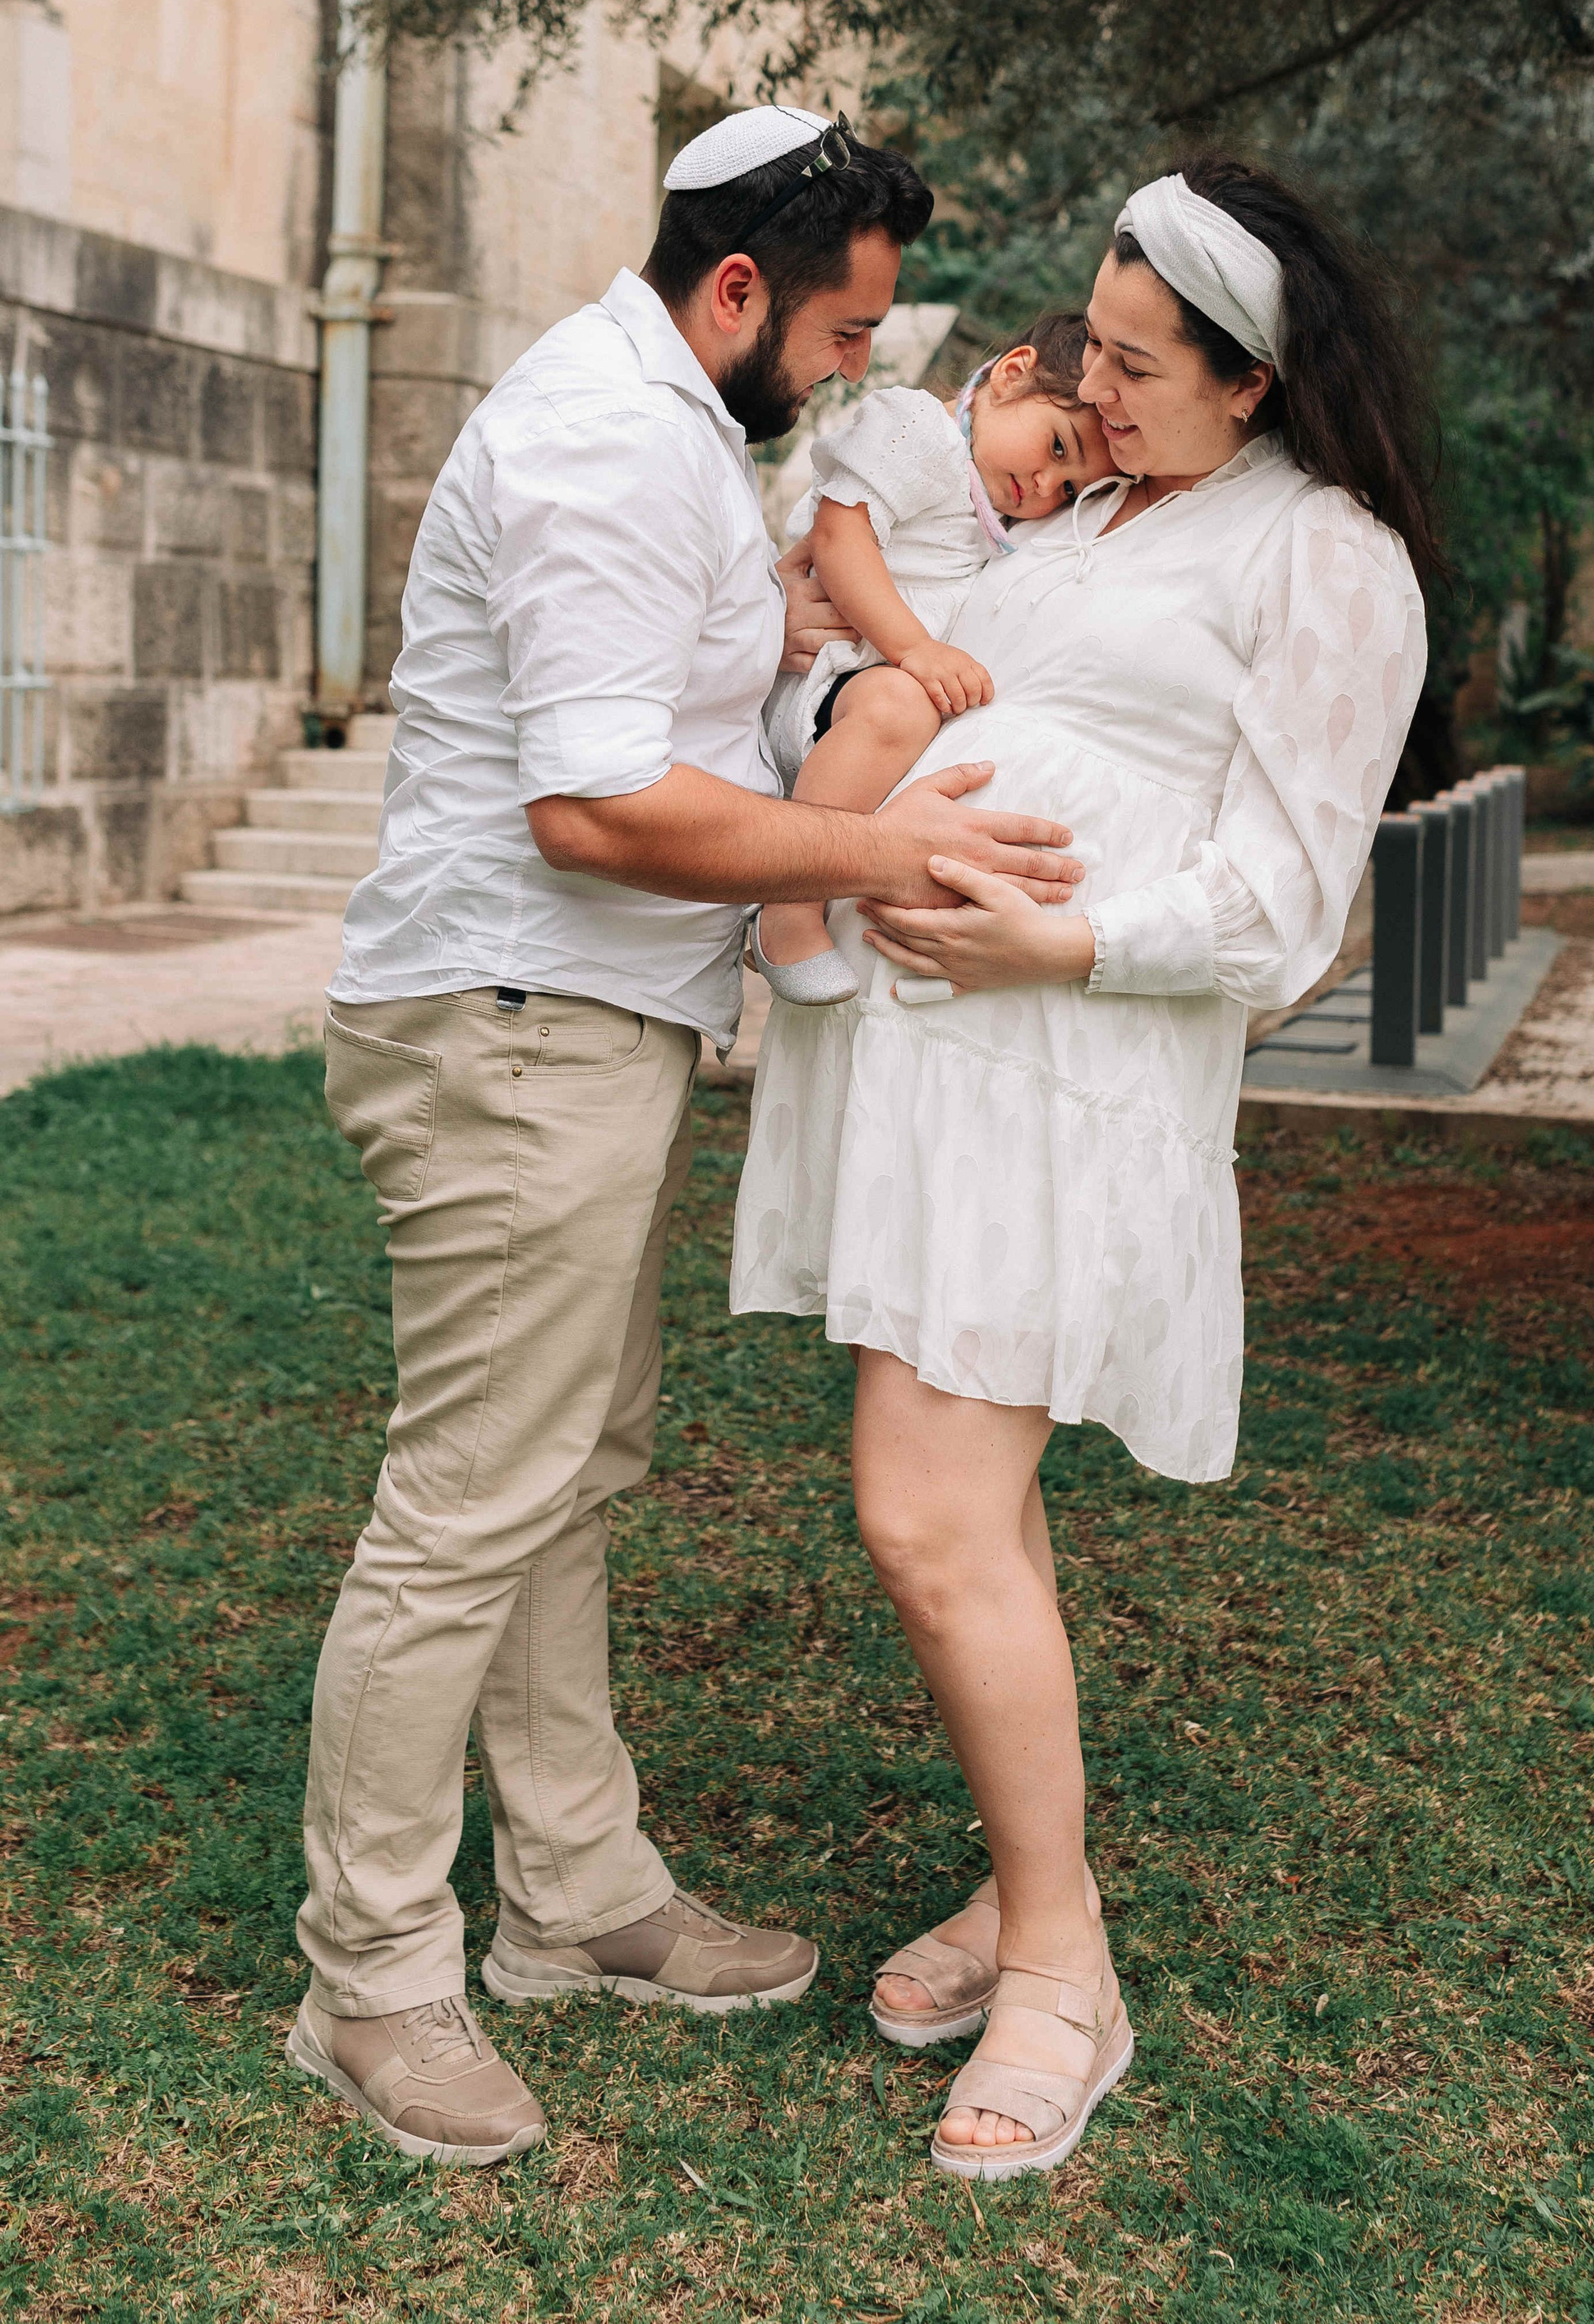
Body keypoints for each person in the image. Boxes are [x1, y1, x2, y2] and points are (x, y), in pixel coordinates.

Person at [290, 104, 1085, 2168]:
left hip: (588, 1027)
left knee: (567, 1473)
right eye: (836, 338)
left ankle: (576, 1898)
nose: (846, 377)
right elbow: (593, 809)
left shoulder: (676, 427)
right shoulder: (605, 437)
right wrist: (871, 842)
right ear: (738, 288)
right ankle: (371, 1976)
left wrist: (805, 656)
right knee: (470, 1502)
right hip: (509, 1029)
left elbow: (654, 712)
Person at [732, 153, 1437, 2179]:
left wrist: (1066, 936)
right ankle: (1021, 1885)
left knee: (924, 1517)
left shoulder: (1328, 560)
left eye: (1136, 368)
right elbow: (908, 679)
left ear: (1258, 380)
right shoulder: (1089, 517)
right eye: (1096, 352)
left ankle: (1065, 1967)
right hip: (939, 1082)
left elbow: (1295, 901)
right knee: (981, 1520)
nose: (1093, 394)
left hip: (1070, 1080)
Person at [755, 317, 1114, 1002]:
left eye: (1069, 488)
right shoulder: (918, 429)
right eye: (1057, 446)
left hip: (860, 712)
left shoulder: (996, 510)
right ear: (1011, 375)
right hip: (824, 682)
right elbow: (840, 532)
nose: (1043, 484)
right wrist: (914, 649)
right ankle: (786, 910)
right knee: (899, 702)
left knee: (905, 708)